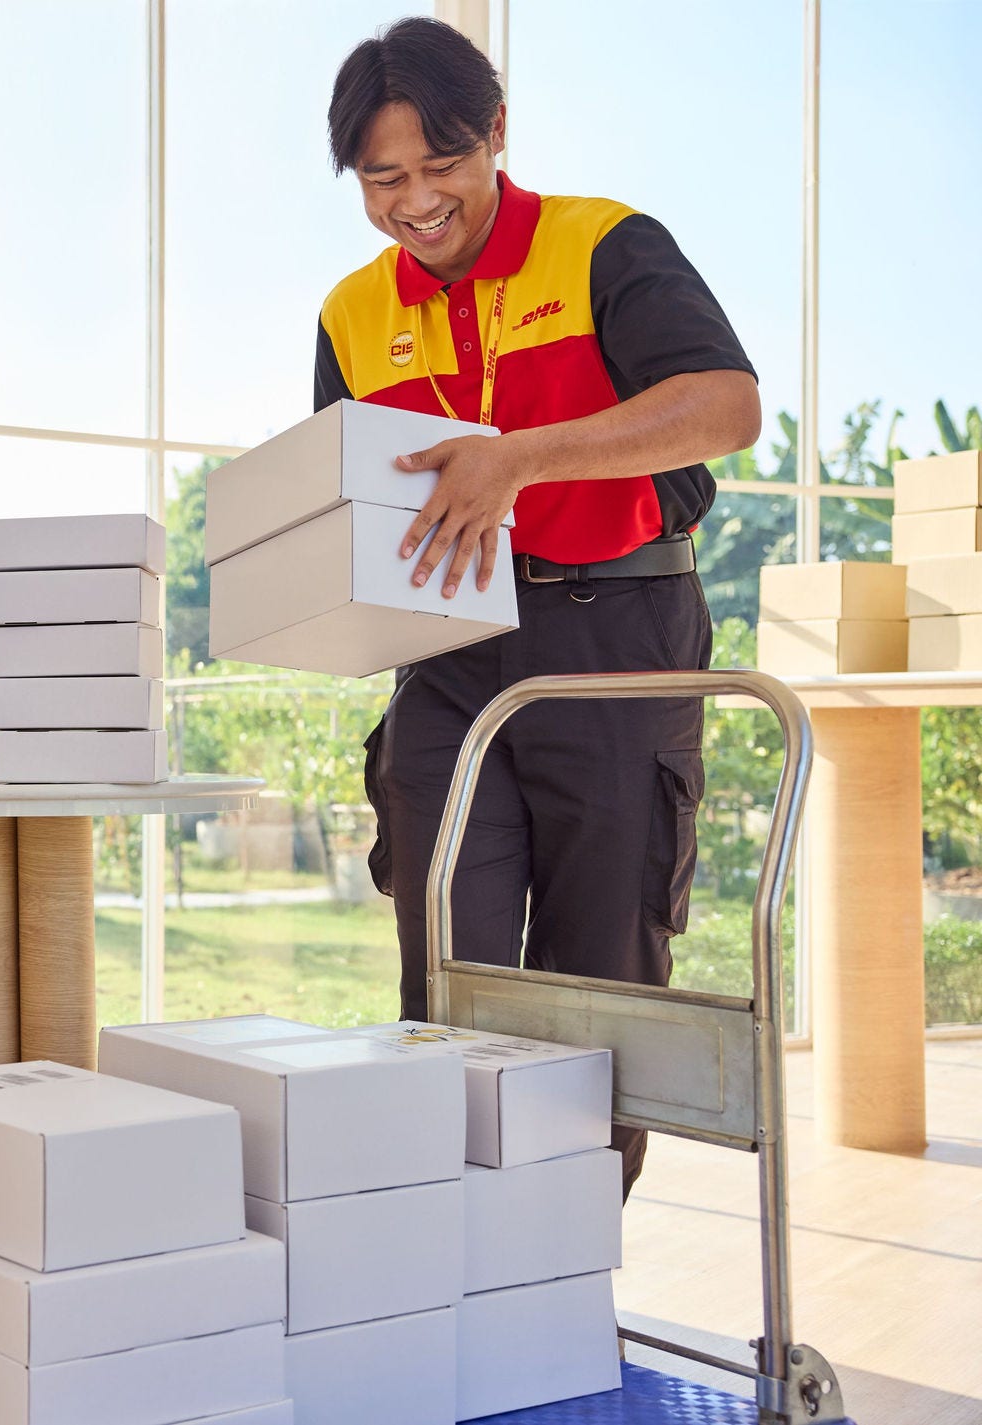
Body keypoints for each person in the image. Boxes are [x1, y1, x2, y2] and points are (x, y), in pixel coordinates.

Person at [316, 17, 761, 1198]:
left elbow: (723, 407)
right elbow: (344, 501)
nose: (414, 202)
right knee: (443, 972)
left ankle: (563, 1267)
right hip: (449, 656)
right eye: (382, 179)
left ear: (495, 136)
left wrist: (519, 458)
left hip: (615, 648)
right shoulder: (350, 314)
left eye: (438, 166)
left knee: (597, 980)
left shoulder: (603, 244)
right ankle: (449, 1247)